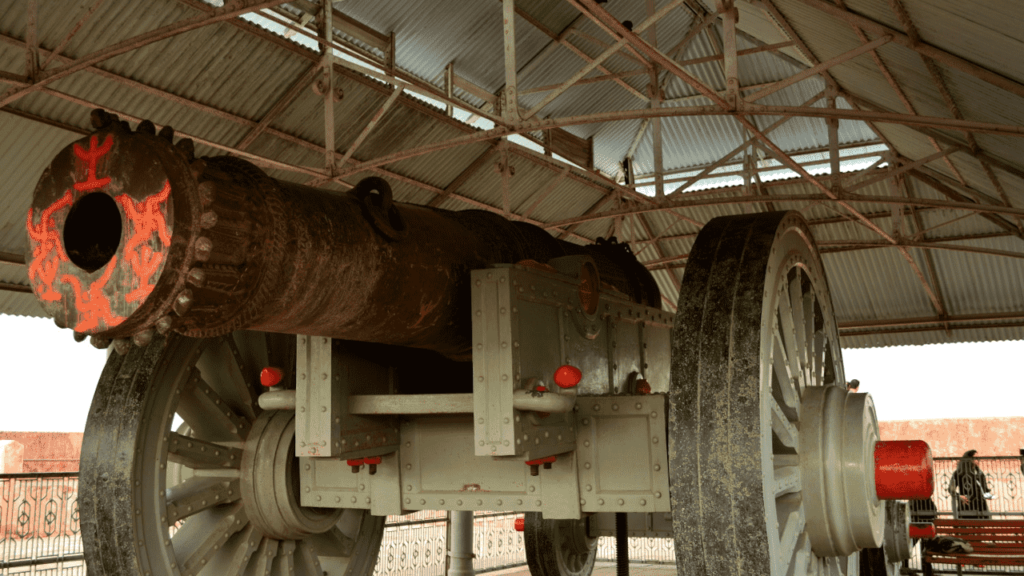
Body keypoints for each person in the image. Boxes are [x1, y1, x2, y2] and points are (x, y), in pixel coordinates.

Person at [948, 449, 992, 519]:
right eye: (976, 458)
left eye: (979, 458)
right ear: (969, 459)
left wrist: (989, 495)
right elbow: (950, 489)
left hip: (980, 506)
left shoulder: (980, 473)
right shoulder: (959, 473)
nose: (978, 460)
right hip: (967, 504)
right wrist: (959, 496)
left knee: (980, 528)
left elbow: (984, 490)